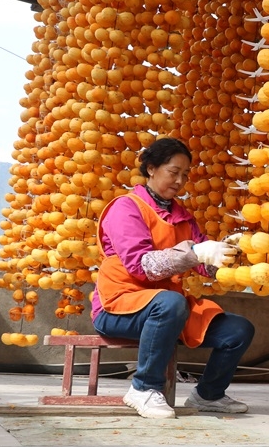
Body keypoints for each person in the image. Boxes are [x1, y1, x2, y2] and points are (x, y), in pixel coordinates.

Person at [91, 137, 255, 419]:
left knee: (238, 330)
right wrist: (197, 253)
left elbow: (204, 265)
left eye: (185, 175)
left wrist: (230, 251)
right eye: (173, 171)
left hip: (167, 309)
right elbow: (140, 265)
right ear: (151, 169)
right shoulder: (125, 208)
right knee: (169, 303)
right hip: (119, 306)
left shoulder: (182, 216)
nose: (180, 180)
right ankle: (143, 388)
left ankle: (208, 394)